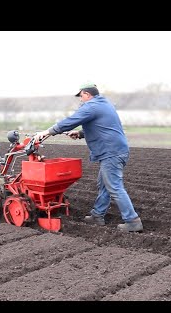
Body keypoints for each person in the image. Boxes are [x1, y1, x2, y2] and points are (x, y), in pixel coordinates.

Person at [35, 82, 143, 232]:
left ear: (86, 94)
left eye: (80, 96)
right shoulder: (104, 104)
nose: (80, 99)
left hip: (111, 152)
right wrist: (80, 134)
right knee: (104, 185)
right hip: (115, 150)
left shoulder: (91, 106)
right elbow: (102, 127)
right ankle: (97, 215)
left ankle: (132, 221)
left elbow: (71, 121)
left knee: (114, 186)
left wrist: (47, 132)